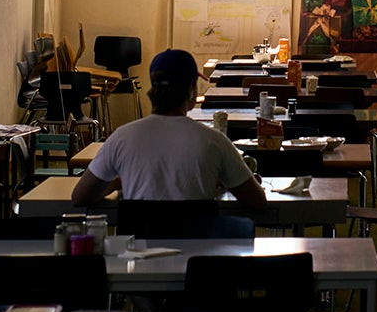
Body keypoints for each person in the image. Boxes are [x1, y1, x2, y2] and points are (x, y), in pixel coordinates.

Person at [69, 48, 268, 211]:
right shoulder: (214, 141)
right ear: (191, 88)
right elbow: (257, 202)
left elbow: (80, 197)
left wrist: (123, 179)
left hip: (138, 256)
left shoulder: (122, 137)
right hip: (197, 255)